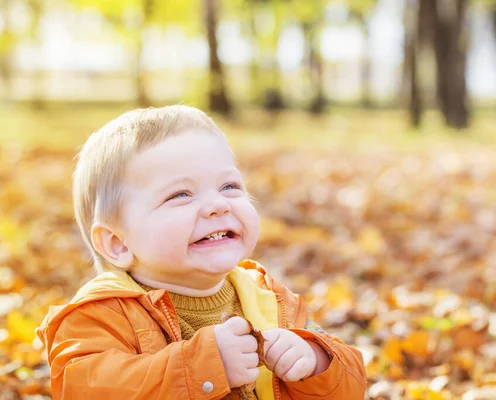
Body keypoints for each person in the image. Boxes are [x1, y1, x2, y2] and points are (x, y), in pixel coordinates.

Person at [37, 105, 367, 400]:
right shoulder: (98, 316)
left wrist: (316, 360)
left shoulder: (270, 299)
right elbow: (86, 389)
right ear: (118, 244)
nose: (217, 205)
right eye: (181, 194)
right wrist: (203, 367)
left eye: (230, 187)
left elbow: (351, 385)